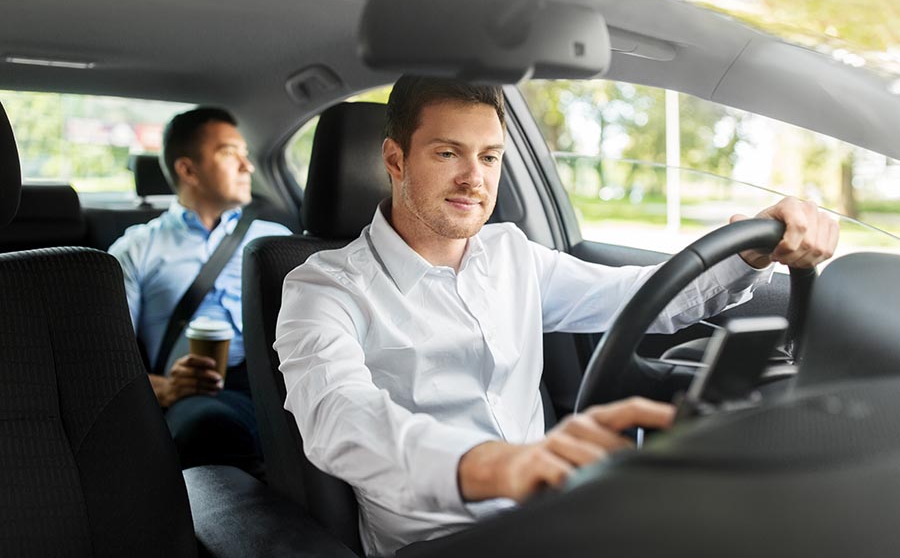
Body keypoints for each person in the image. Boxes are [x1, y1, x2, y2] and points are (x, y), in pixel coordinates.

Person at [274, 77, 839, 556]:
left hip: (551, 517)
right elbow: (340, 416)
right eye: (448, 153)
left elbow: (641, 299)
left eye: (490, 157)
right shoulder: (322, 288)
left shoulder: (512, 254)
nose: (475, 179)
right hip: (440, 541)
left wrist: (749, 251)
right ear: (395, 159)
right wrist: (498, 466)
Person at [110, 106, 291, 475]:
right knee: (206, 426)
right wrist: (164, 389)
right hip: (197, 392)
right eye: (229, 153)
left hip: (280, 384)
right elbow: (105, 361)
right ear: (188, 169)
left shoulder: (277, 240)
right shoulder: (137, 248)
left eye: (245, 153)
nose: (247, 166)